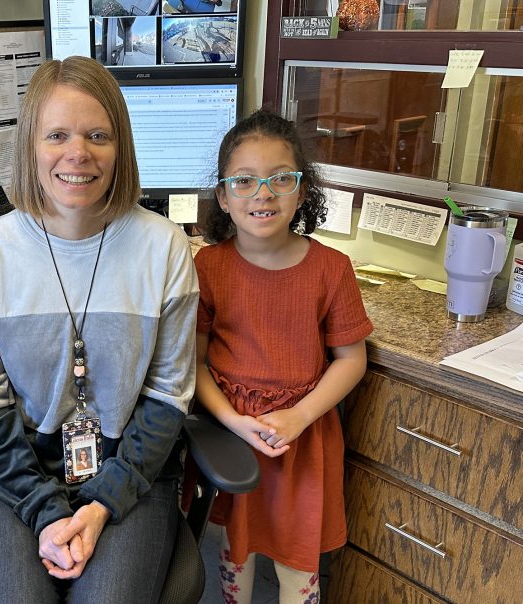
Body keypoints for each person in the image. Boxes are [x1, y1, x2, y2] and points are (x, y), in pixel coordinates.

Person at [0, 56, 198, 603]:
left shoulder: (164, 248)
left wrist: (99, 503)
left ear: (121, 147)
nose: (77, 153)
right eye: (57, 134)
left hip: (129, 472)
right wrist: (44, 512)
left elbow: (167, 397)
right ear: (30, 147)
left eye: (97, 135)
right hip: (9, 473)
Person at [195, 109, 373, 604]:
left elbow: (350, 360)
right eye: (245, 181)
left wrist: (298, 416)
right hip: (234, 437)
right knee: (236, 552)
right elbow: (196, 364)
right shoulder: (207, 267)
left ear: (302, 190)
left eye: (280, 179)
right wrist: (232, 420)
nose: (263, 194)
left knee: (299, 562)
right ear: (224, 198)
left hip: (303, 439)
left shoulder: (332, 270)